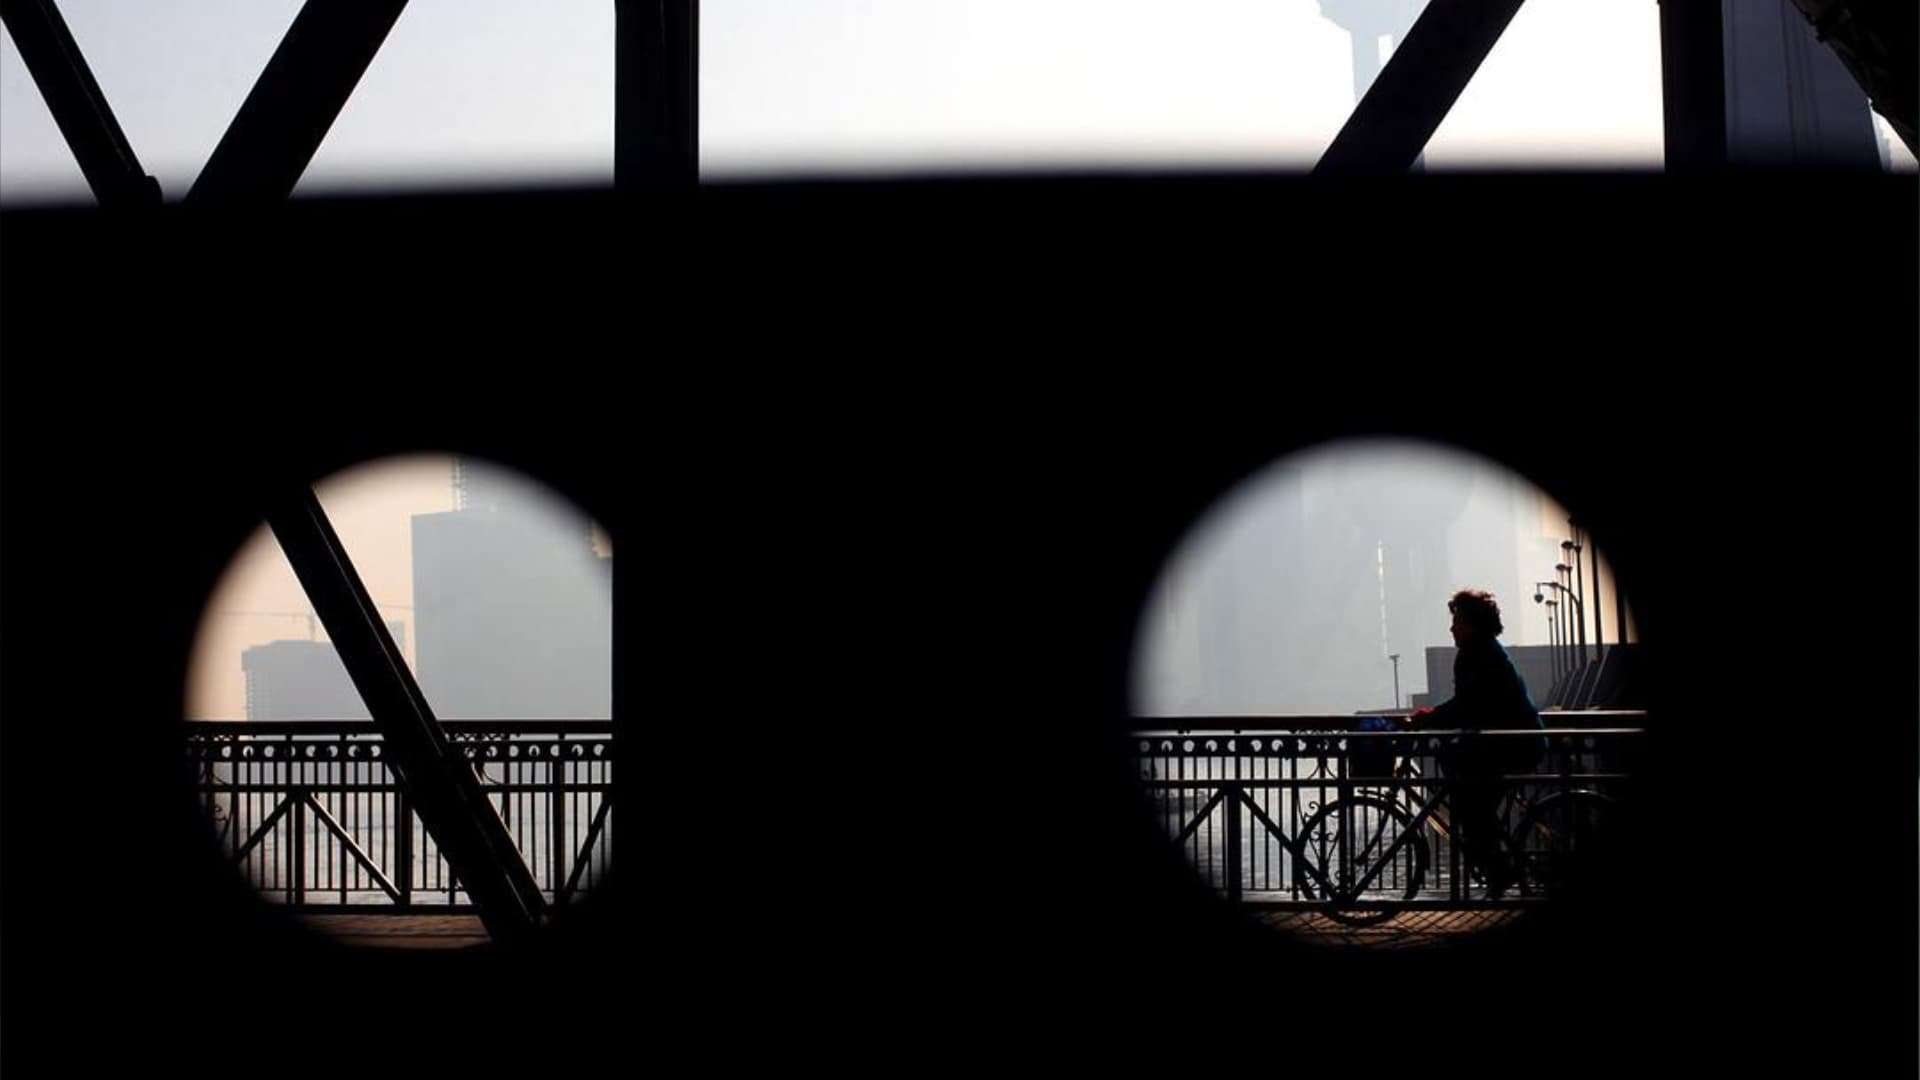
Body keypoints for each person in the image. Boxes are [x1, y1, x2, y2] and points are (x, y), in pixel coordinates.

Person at [1403, 589, 1545, 897]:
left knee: (1473, 809)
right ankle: (1497, 869)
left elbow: (1467, 705)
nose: (1452, 627)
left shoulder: (1480, 655)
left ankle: (1501, 872)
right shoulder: (1480, 651)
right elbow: (1469, 705)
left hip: (1514, 745)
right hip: (1507, 742)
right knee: (1472, 804)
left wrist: (1429, 717)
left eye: (1458, 621)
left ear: (1473, 625)